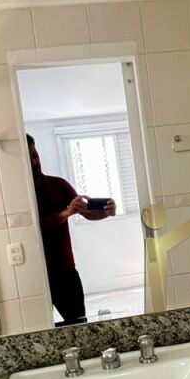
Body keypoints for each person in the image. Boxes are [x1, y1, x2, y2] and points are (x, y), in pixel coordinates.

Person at [29, 134, 116, 326]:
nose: (34, 162)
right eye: (29, 158)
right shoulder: (19, 194)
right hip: (33, 272)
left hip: (64, 269)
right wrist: (67, 212)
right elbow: (36, 225)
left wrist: (107, 212)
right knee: (39, 328)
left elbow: (87, 213)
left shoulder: (58, 185)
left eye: (35, 155)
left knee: (78, 324)